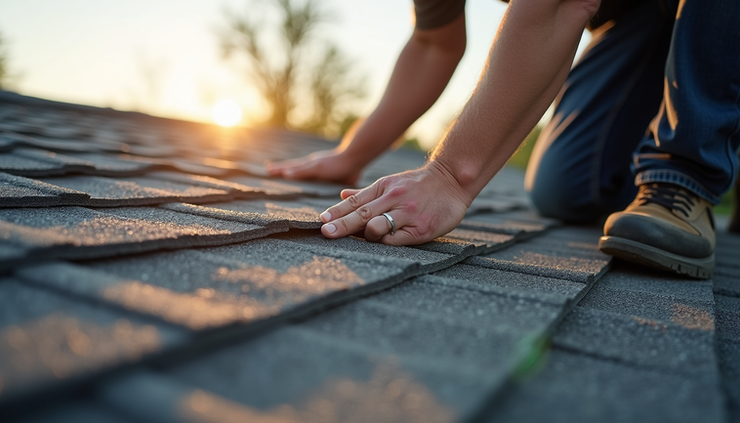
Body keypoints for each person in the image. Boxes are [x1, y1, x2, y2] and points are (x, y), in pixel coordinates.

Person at [267, 0, 740, 279]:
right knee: (569, 190)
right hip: (647, 15)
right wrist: (354, 154)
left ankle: (686, 173)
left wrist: (449, 176)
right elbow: (435, 42)